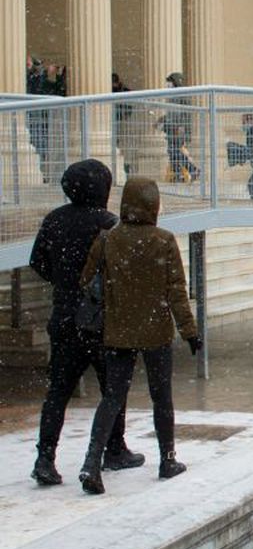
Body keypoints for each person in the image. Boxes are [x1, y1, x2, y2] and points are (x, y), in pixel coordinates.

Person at [78, 177, 202, 495]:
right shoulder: (163, 240)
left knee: (113, 398)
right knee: (162, 397)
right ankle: (167, 458)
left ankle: (92, 462)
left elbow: (86, 280)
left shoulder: (109, 239)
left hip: (118, 330)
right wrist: (189, 331)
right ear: (154, 205)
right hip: (156, 330)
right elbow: (176, 291)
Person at [29, 160, 143, 486]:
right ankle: (114, 448)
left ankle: (45, 457)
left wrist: (65, 284)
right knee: (113, 388)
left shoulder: (54, 220)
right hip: (101, 322)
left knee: (58, 392)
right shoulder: (109, 224)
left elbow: (37, 261)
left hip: (64, 318)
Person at [159, 73, 199, 183]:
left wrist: (181, 127)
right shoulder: (173, 96)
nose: (168, 85)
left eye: (170, 82)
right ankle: (177, 174)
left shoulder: (181, 95)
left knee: (175, 151)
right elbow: (171, 113)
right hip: (172, 128)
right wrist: (163, 120)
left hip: (178, 129)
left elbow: (184, 115)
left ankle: (191, 169)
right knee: (172, 151)